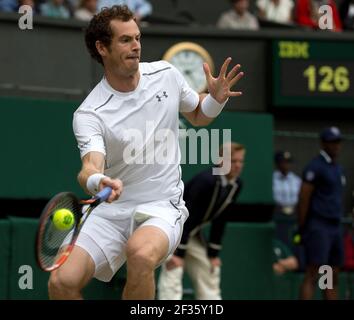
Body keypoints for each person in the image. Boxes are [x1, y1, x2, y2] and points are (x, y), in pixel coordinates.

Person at [47, 5, 244, 300]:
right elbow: (89, 166)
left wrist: (214, 100)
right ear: (102, 48)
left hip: (162, 207)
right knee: (62, 282)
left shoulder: (167, 74)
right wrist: (98, 181)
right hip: (110, 213)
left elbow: (198, 115)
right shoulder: (90, 113)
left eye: (137, 37)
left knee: (140, 254)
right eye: (125, 40)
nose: (136, 46)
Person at [157, 142, 245, 300]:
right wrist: (178, 252)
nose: (238, 165)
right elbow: (186, 215)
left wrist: (213, 253)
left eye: (240, 161)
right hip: (173, 227)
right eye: (233, 161)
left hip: (192, 233)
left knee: (209, 268)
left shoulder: (236, 185)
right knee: (174, 269)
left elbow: (221, 219)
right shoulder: (206, 180)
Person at [297, 126, 346, 300]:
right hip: (318, 226)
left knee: (331, 275)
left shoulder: (337, 168)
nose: (336, 146)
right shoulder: (315, 166)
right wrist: (303, 227)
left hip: (335, 226)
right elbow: (303, 198)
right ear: (324, 143)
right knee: (313, 272)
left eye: (338, 142)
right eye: (332, 142)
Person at [272, 151, 301, 247]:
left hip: (294, 217)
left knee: (295, 241)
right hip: (278, 216)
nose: (286, 165)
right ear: (277, 163)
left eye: (288, 162)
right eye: (283, 162)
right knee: (280, 240)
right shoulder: (272, 179)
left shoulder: (296, 180)